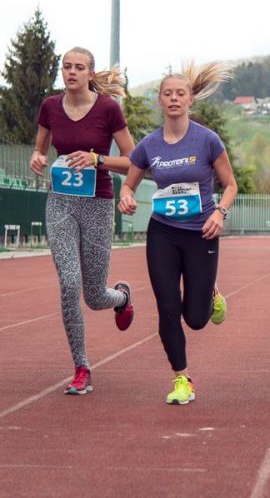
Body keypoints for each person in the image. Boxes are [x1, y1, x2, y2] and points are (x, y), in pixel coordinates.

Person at [118, 61, 237, 405]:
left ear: (190, 100)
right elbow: (129, 184)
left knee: (196, 319)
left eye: (179, 93)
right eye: (167, 93)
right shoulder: (148, 145)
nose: (173, 98)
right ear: (160, 100)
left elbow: (230, 184)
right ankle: (182, 378)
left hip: (201, 232)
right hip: (163, 233)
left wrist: (220, 212)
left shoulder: (207, 140)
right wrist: (126, 196)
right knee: (167, 306)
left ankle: (210, 293)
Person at [29, 46, 135, 396]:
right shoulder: (50, 107)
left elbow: (133, 161)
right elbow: (40, 148)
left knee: (94, 295)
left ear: (91, 74)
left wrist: (96, 159)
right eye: (66, 66)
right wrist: (37, 158)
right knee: (69, 283)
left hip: (97, 205)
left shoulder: (108, 109)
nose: (71, 72)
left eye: (78, 67)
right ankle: (81, 367)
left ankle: (121, 298)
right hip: (60, 203)